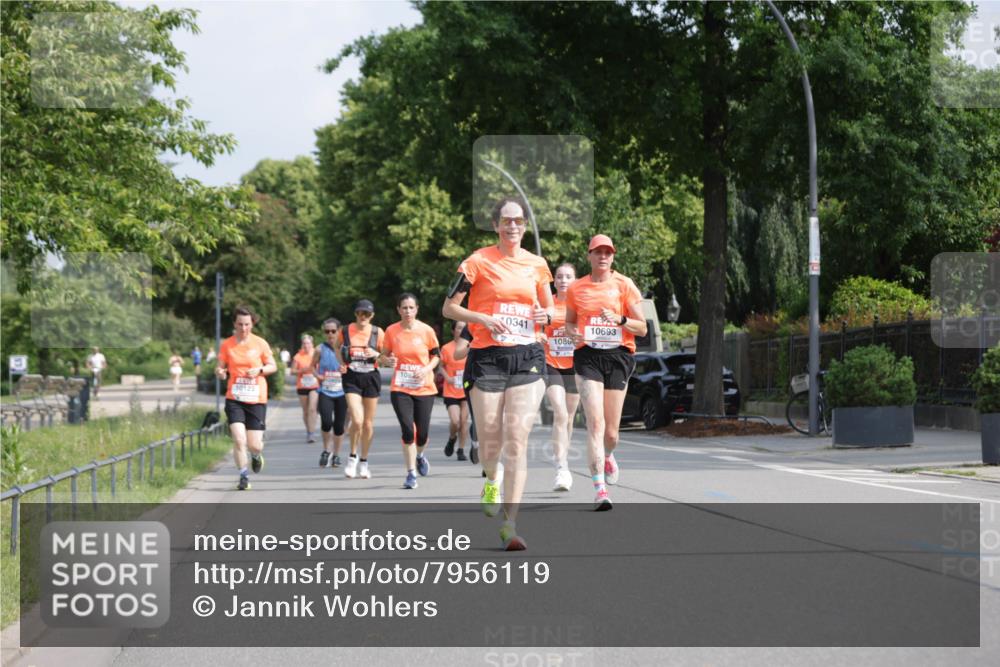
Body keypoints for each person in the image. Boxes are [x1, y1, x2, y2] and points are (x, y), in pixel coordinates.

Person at [443, 196, 553, 551]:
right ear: (496, 226)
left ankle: (511, 523)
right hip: (487, 355)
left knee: (517, 439)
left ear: (524, 225)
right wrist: (482, 319)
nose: (513, 226)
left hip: (527, 355)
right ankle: (491, 479)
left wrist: (545, 317)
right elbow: (449, 308)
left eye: (519, 220)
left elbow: (551, 310)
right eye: (506, 221)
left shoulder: (538, 265)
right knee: (491, 438)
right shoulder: (477, 262)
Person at [565, 235, 647, 511]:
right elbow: (569, 323)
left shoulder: (624, 285)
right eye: (597, 252)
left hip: (618, 357)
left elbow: (642, 327)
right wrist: (572, 332)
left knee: (611, 433)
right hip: (588, 356)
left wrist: (621, 320)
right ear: (589, 255)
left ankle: (609, 455)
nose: (603, 256)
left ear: (613, 257)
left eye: (607, 252)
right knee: (595, 424)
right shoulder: (576, 288)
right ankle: (599, 489)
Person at [216, 305, 277, 491]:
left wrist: (259, 370)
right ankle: (243, 476)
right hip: (234, 397)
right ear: (234, 324)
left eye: (247, 324)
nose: (244, 328)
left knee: (254, 445)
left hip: (256, 398)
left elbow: (272, 366)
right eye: (240, 324)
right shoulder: (227, 344)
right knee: (238, 439)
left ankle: (256, 456)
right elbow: (220, 367)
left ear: (253, 323)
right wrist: (220, 372)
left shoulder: (260, 343)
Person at [383, 293, 440, 489]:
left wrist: (426, 369)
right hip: (400, 387)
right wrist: (387, 361)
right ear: (398, 310)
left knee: (422, 434)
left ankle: (420, 455)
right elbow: (384, 356)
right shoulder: (391, 331)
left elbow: (436, 356)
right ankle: (410, 474)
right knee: (408, 430)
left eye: (411, 308)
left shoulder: (426, 330)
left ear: (417, 309)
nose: (407, 311)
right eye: (404, 308)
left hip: (424, 388)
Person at [543, 263, 581, 491]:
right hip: (552, 363)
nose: (564, 280)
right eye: (559, 277)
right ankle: (562, 467)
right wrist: (540, 338)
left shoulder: (581, 306)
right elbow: (538, 329)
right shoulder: (548, 305)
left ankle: (563, 459)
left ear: (575, 280)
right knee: (560, 412)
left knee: (569, 417)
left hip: (575, 365)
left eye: (568, 276)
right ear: (554, 281)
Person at [338, 299, 385, 479]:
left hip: (371, 377)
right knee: (356, 420)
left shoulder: (377, 332)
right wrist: (341, 363)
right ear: (355, 314)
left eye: (367, 314)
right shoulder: (345, 330)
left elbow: (386, 356)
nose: (363, 317)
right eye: (360, 313)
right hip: (351, 377)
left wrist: (377, 355)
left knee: (367, 423)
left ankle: (364, 461)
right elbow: (337, 347)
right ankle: (352, 457)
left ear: (372, 315)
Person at [314, 318, 348, 468]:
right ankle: (326, 450)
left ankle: (336, 454)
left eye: (333, 331)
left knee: (339, 426)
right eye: (327, 331)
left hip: (342, 392)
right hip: (326, 391)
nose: (330, 334)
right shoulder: (319, 349)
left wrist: (345, 370)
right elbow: (311, 367)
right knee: (327, 422)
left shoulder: (345, 349)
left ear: (339, 331)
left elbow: (351, 367)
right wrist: (318, 376)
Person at [439, 321, 471, 462]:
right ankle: (452, 438)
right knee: (455, 421)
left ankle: (461, 449)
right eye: (459, 327)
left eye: (464, 328)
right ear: (453, 331)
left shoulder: (471, 347)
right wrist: (447, 377)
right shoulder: (446, 348)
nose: (462, 330)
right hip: (451, 390)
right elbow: (440, 366)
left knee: (464, 421)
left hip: (466, 389)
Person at [292, 334, 320, 443]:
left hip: (314, 385)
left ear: (312, 344)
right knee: (305, 411)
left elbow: (322, 367)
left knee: (312, 409)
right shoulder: (298, 356)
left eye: (308, 343)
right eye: (304, 343)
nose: (306, 345)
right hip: (302, 385)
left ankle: (312, 433)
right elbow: (292, 371)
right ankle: (308, 431)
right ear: (302, 344)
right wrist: (301, 370)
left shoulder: (316, 354)